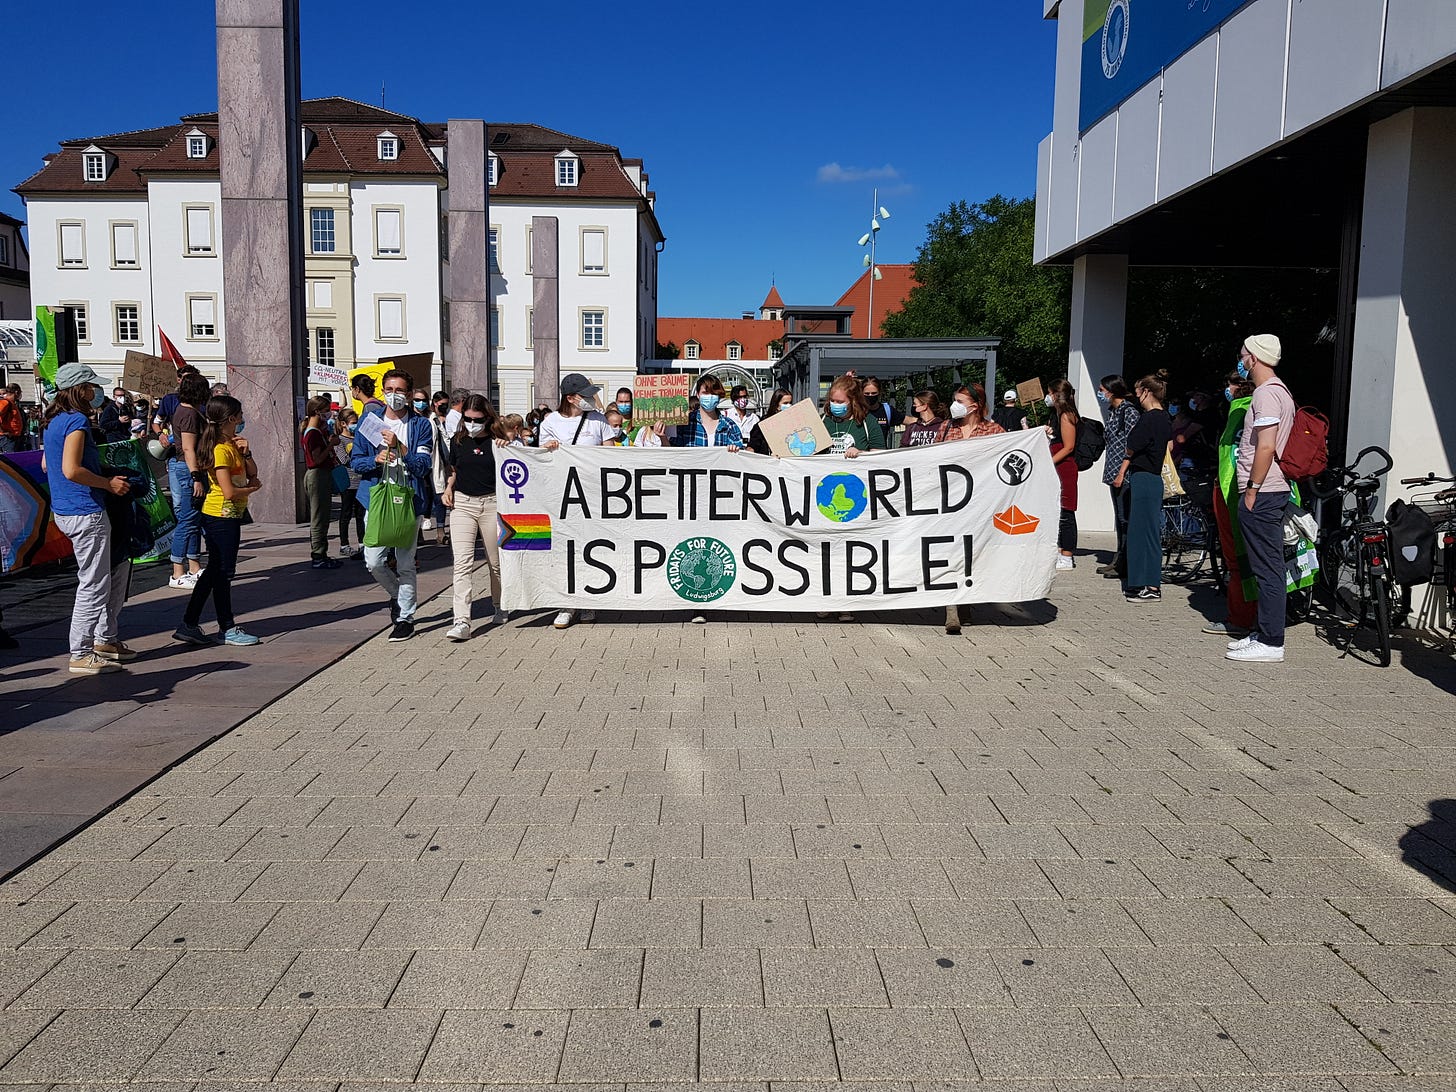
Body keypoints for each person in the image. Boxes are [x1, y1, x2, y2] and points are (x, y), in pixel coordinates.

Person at [41, 364, 134, 674]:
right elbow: (70, 469)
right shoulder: (77, 421)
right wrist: (108, 483)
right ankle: (80, 651)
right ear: (80, 390)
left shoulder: (54, 421)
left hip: (68, 509)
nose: (96, 392)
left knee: (110, 571)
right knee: (93, 583)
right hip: (85, 510)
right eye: (92, 386)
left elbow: (47, 464)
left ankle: (104, 640)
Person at [1227, 334, 1297, 663]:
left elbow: (1266, 446)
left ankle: (1272, 641)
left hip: (1264, 490)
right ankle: (1262, 631)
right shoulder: (1277, 393)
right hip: (1268, 489)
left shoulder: (1268, 396)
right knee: (1263, 565)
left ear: (1254, 357)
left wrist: (1252, 488)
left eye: (1243, 355)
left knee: (1268, 568)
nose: (1240, 360)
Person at [351, 369, 435, 641]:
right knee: (373, 561)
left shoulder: (421, 425)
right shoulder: (370, 421)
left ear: (409, 395)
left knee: (405, 562)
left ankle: (405, 617)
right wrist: (375, 460)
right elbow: (356, 462)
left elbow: (423, 466)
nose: (394, 395)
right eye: (390, 389)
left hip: (408, 499)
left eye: (400, 390)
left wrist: (401, 448)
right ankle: (398, 596)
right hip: (376, 498)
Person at [172, 395, 262, 647]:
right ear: (231, 417)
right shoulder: (219, 449)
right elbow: (229, 491)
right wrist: (252, 489)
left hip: (229, 515)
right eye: (240, 414)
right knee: (221, 572)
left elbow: (252, 472)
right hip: (220, 515)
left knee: (217, 572)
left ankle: (191, 624)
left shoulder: (231, 444)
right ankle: (225, 626)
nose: (243, 418)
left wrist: (247, 452)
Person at [538, 374, 608, 629]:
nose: (591, 399)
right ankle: (566, 604)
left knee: (590, 547)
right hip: (562, 497)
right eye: (586, 395)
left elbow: (611, 454)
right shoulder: (550, 422)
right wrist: (549, 448)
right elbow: (540, 459)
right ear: (570, 398)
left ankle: (589, 599)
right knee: (565, 548)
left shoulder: (598, 420)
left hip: (593, 495)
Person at [443, 395, 506, 641]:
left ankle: (500, 603)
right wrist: (449, 488)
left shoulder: (497, 443)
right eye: (467, 418)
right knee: (462, 563)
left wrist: (506, 443)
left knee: (495, 562)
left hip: (491, 503)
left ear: (487, 418)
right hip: (463, 504)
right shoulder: (457, 441)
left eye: (476, 419)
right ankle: (462, 620)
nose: (471, 423)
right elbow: (454, 470)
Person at [1203, 370, 1259, 640]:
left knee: (1238, 559)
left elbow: (1229, 458)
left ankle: (1240, 618)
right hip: (1267, 492)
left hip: (1233, 493)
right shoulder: (1274, 404)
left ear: (1240, 386)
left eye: (1230, 383)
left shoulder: (1239, 411)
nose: (1227, 388)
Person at [1115, 375, 1172, 602]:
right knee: (1143, 532)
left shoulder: (1150, 418)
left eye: (1138, 391)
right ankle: (1141, 582)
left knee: (1144, 533)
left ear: (1147, 391)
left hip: (1145, 478)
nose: (1136, 396)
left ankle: (1149, 585)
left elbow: (1132, 446)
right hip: (1148, 478)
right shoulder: (1163, 418)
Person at [165, 370, 211, 590]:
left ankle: (193, 566)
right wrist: (195, 477)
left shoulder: (188, 411)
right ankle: (177, 571)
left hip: (191, 468)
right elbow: (187, 448)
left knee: (193, 520)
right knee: (187, 520)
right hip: (189, 469)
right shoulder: (189, 414)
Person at [1096, 375, 1141, 580]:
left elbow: (1132, 445)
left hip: (1124, 473)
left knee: (1126, 518)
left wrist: (1122, 472)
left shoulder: (1129, 412)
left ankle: (1126, 562)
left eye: (1102, 389)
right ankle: (1119, 558)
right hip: (1113, 471)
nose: (1101, 393)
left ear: (1112, 391)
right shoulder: (1113, 412)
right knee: (1119, 518)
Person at [299, 395, 341, 569]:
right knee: (319, 517)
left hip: (321, 474)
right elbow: (316, 459)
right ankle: (318, 555)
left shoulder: (316, 431)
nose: (328, 414)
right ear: (317, 411)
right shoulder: (312, 434)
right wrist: (331, 445)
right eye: (326, 411)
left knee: (323, 516)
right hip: (317, 475)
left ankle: (321, 553)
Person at [1045, 379, 1080, 569]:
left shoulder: (1067, 415)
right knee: (1057, 509)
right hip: (1057, 466)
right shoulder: (1056, 415)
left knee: (1066, 510)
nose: (1047, 397)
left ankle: (1067, 554)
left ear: (1057, 395)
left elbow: (1069, 447)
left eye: (1050, 393)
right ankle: (1060, 550)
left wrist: (1049, 462)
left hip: (1064, 467)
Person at [821, 374, 884, 458]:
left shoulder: (868, 421)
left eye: (840, 402)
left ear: (853, 401)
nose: (835, 404)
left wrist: (860, 453)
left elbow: (879, 454)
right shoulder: (822, 420)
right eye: (832, 400)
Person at [332, 408, 365, 557]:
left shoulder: (358, 437)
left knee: (360, 514)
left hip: (360, 480)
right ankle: (344, 544)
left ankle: (362, 543)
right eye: (353, 423)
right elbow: (344, 459)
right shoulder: (339, 440)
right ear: (344, 424)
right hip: (347, 481)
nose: (355, 426)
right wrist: (354, 450)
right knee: (345, 513)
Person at [687, 376, 744, 449]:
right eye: (705, 393)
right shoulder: (686, 423)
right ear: (698, 395)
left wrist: (734, 451)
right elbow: (672, 452)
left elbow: (740, 455)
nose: (710, 397)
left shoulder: (730, 426)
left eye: (714, 393)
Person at [746, 388, 794, 455]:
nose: (789, 406)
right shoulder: (763, 424)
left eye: (790, 403)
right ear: (777, 405)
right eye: (785, 403)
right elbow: (754, 444)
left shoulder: (793, 422)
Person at [861, 376, 897, 443]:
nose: (870, 396)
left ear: (880, 392)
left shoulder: (887, 410)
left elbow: (908, 420)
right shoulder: (856, 410)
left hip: (880, 451)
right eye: (867, 394)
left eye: (874, 393)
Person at [0, 384, 25, 453]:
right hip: (8, 439)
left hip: (15, 438)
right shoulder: (5, 402)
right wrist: (3, 432)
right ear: (16, 392)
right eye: (20, 392)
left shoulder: (13, 404)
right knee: (10, 461)